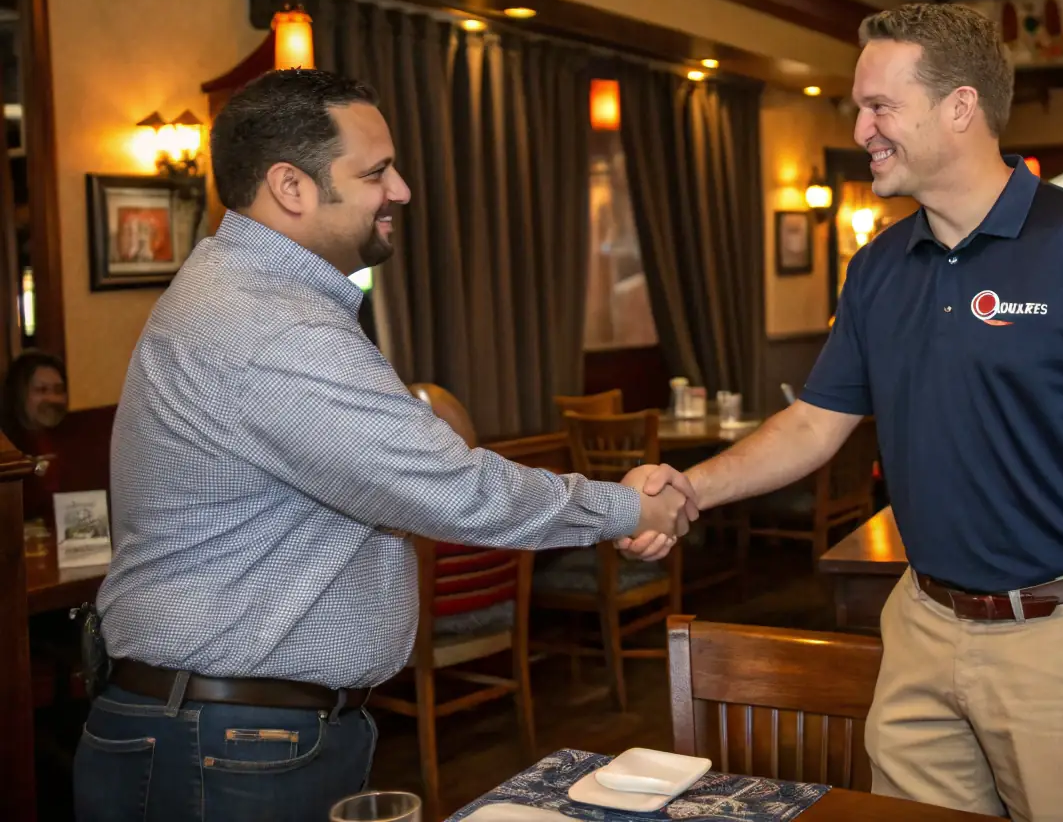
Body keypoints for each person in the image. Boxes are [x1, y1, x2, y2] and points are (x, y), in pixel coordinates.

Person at [623, 3, 1063, 820]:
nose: (861, 127)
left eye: (879, 106)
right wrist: (689, 491)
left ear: (960, 107)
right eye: (858, 106)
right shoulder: (878, 266)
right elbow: (812, 424)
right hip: (918, 622)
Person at [75, 69, 696, 822]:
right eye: (375, 172)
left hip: (228, 728)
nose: (400, 190)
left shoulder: (250, 295)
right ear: (290, 187)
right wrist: (626, 505)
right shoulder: (273, 326)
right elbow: (448, 488)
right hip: (226, 744)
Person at [0, 348, 70, 520]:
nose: (53, 399)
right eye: (41, 390)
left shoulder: (74, 440)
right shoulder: (6, 449)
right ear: (18, 394)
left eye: (58, 390)